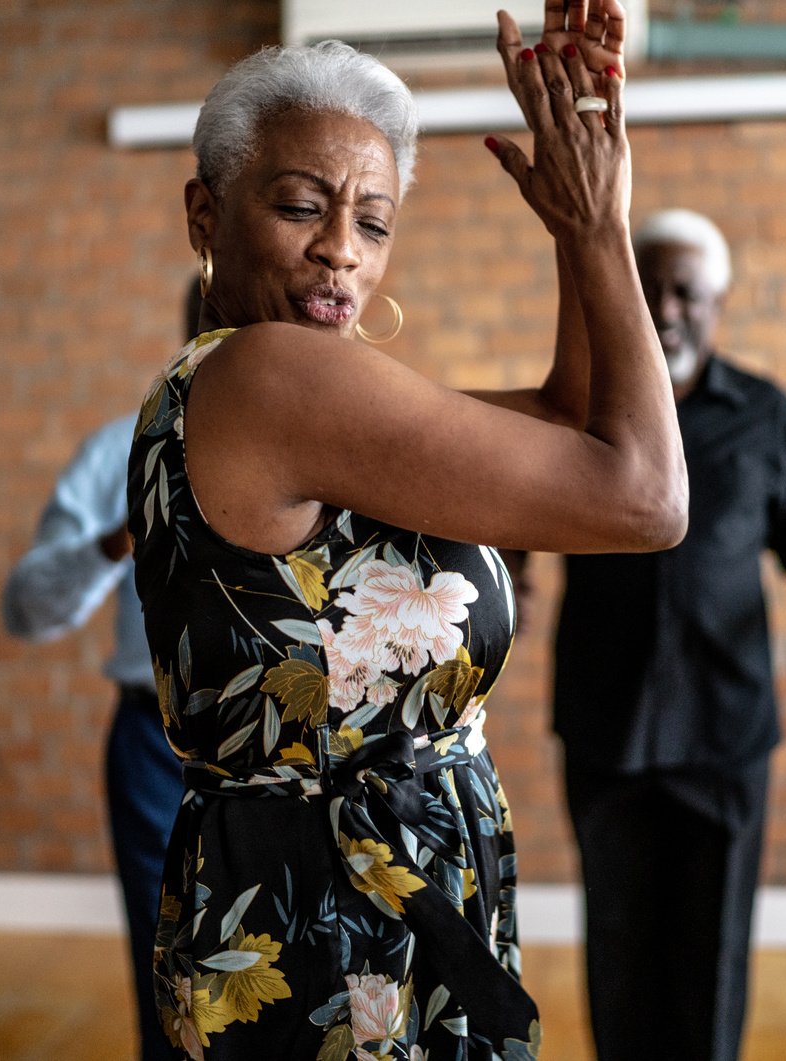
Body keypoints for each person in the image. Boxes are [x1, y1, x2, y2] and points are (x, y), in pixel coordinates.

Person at [126, 1, 690, 1056]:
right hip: (342, 922)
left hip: (335, 888)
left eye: (375, 221)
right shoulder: (269, 375)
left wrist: (579, 225)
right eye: (301, 206)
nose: (341, 249)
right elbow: (644, 497)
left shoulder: (264, 399)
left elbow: (575, 419)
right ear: (206, 214)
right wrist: (604, 230)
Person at [549, 208, 786, 1061]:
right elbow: (514, 509)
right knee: (620, 942)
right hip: (606, 716)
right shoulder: (582, 407)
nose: (664, 307)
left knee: (712, 945)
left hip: (725, 725)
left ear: (717, 301)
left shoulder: (763, 410)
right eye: (649, 287)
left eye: (685, 291)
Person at [0, 279, 203, 1061]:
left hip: (307, 751)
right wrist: (116, 542)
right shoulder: (125, 446)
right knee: (170, 980)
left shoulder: (345, 442)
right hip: (160, 744)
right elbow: (24, 606)